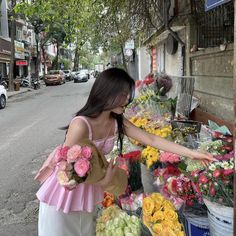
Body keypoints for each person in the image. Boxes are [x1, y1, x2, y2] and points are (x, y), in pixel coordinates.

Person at [36, 67, 215, 236]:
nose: (128, 98)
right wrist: (103, 181)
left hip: (89, 188)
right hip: (63, 195)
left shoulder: (117, 121)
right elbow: (65, 169)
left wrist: (192, 153)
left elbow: (151, 139)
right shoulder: (81, 125)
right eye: (123, 94)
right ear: (107, 93)